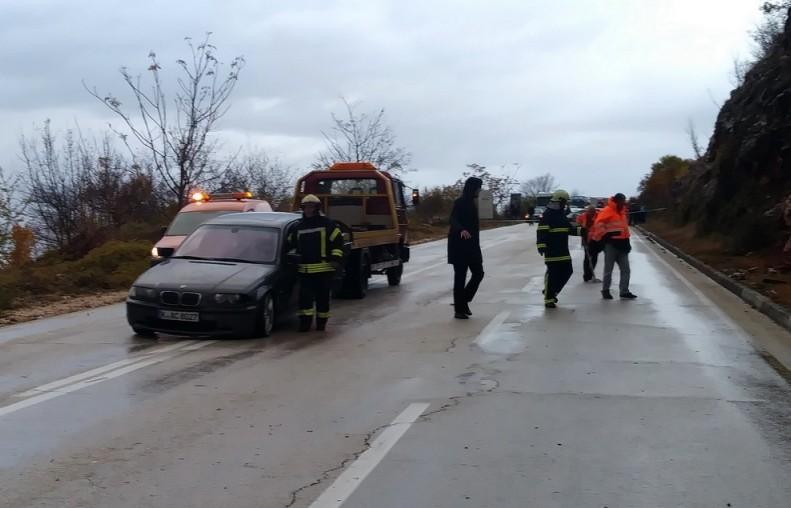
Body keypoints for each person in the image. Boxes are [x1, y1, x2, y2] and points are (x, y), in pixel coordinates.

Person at [288, 194, 344, 332]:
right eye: (306, 207)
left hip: (324, 270)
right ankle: (305, 324)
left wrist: (335, 259)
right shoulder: (297, 227)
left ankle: (321, 324)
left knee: (322, 299)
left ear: (317, 208)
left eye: (311, 207)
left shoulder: (328, 224)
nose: (308, 210)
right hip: (304, 270)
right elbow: (290, 244)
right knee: (304, 300)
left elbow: (338, 243)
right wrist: (293, 257)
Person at [537, 189, 581, 308]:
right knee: (553, 274)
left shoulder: (562, 215)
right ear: (560, 201)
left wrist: (583, 231)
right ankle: (548, 299)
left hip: (563, 250)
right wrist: (541, 245)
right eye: (565, 202)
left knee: (567, 271)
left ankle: (552, 292)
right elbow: (541, 231)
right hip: (551, 251)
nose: (566, 204)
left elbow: (569, 229)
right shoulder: (547, 215)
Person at [448, 177, 484, 319]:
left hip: (473, 246)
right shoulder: (460, 202)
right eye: (478, 187)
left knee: (479, 273)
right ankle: (459, 310)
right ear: (472, 188)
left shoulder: (474, 203)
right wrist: (461, 229)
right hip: (459, 246)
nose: (480, 190)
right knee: (460, 277)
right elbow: (452, 219)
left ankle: (463, 300)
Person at [592, 193, 637, 300]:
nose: (624, 202)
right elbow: (598, 224)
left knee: (626, 269)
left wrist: (627, 243)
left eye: (624, 200)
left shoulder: (622, 213)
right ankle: (605, 290)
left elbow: (624, 229)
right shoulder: (607, 211)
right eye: (622, 200)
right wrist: (606, 236)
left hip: (623, 244)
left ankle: (624, 291)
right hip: (611, 245)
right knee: (608, 269)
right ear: (617, 201)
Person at [576, 205, 601, 283]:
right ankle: (586, 275)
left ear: (594, 211)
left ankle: (590, 274)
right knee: (587, 258)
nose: (591, 213)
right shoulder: (583, 216)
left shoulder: (598, 216)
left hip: (596, 239)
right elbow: (577, 223)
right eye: (589, 212)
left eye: (592, 212)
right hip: (586, 239)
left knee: (594, 258)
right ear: (587, 211)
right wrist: (580, 228)